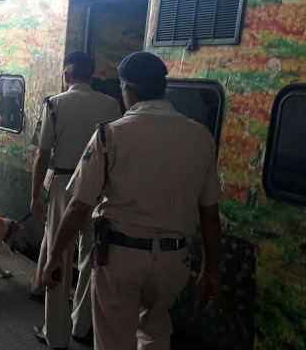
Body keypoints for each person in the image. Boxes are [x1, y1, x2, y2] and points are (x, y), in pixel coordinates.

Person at [42, 51, 223, 350]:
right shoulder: (201, 136)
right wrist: (210, 271)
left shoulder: (110, 134)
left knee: (114, 339)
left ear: (127, 89)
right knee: (155, 331)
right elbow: (210, 216)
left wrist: (54, 255)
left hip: (120, 258)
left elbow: (78, 206)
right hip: (173, 261)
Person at [30, 52, 122, 350]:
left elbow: (42, 154)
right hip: (100, 189)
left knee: (59, 255)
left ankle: (55, 335)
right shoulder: (111, 105)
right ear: (92, 75)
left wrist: (35, 196)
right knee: (91, 258)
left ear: (67, 73)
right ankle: (82, 326)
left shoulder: (54, 104)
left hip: (63, 185)